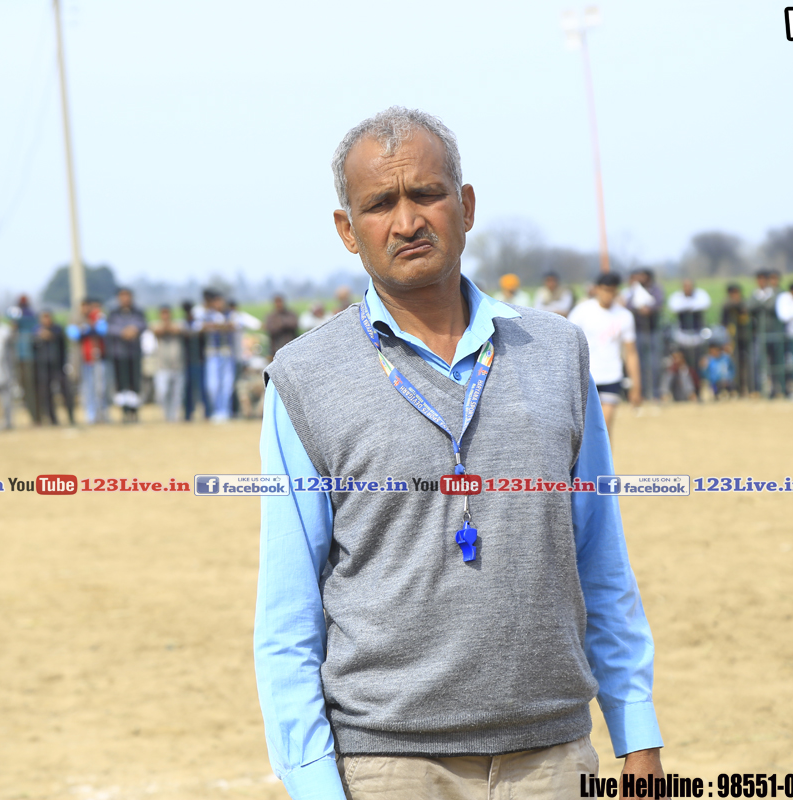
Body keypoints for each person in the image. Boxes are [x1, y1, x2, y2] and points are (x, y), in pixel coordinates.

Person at [256, 107, 662, 800]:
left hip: (553, 758)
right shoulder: (303, 377)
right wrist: (317, 788)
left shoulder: (557, 352)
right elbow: (287, 612)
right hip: (388, 765)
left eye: (427, 194)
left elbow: (601, 558)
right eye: (380, 204)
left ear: (466, 206)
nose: (407, 221)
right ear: (348, 230)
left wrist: (638, 732)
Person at [567, 272, 640, 438]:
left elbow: (631, 353)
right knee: (583, 432)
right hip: (586, 377)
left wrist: (636, 385)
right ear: (597, 289)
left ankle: (604, 456)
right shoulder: (581, 312)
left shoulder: (624, 316)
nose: (608, 295)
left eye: (612, 291)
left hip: (611, 376)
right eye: (605, 290)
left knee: (603, 430)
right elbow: (569, 345)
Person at [107, 288, 147, 422]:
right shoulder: (113, 313)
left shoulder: (138, 312)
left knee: (134, 384)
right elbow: (110, 328)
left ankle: (134, 411)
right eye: (122, 296)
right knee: (121, 384)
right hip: (119, 354)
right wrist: (122, 332)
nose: (125, 299)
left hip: (134, 353)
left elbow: (143, 324)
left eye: (127, 296)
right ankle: (124, 411)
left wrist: (134, 330)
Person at [667, 279, 710, 398]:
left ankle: (698, 391)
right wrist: (690, 307)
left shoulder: (700, 295)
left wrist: (688, 307)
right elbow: (674, 307)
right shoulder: (676, 297)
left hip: (697, 337)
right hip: (682, 337)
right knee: (684, 367)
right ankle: (686, 393)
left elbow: (704, 304)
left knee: (697, 366)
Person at [201, 289, 239, 422]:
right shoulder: (207, 315)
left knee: (227, 384)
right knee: (213, 384)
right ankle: (216, 410)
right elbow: (201, 327)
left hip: (226, 352)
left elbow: (234, 325)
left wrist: (219, 326)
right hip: (212, 353)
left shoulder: (230, 314)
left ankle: (225, 410)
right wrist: (220, 326)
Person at [622, 269, 661, 400]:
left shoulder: (656, 290)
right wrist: (638, 308)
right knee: (640, 364)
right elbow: (627, 304)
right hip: (637, 331)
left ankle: (655, 393)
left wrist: (649, 309)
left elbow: (659, 303)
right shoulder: (633, 290)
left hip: (653, 331)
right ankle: (641, 392)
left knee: (655, 364)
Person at [34, 310, 75, 425]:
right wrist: (40, 336)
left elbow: (63, 344)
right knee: (46, 394)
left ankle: (71, 417)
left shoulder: (58, 330)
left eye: (48, 317)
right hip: (43, 367)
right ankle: (52, 419)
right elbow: (34, 348)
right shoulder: (37, 332)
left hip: (58, 366)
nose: (46, 320)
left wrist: (51, 336)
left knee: (66, 392)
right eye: (44, 317)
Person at [72, 298, 108, 424]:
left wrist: (90, 327)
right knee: (88, 388)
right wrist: (87, 328)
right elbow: (74, 334)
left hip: (99, 358)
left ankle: (102, 413)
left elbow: (102, 330)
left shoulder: (99, 318)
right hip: (85, 360)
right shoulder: (77, 320)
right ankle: (91, 415)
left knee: (101, 388)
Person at [150, 305, 185, 422]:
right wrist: (166, 326)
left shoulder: (178, 324)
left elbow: (177, 330)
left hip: (177, 365)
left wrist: (168, 326)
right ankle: (167, 414)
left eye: (167, 313)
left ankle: (174, 416)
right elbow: (158, 331)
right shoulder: (155, 324)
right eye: (163, 314)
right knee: (163, 392)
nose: (165, 316)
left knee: (177, 394)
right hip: (162, 366)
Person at [719, 284, 753, 396]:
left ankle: (749, 388)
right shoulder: (726, 306)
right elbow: (723, 324)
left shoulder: (745, 304)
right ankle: (737, 389)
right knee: (734, 365)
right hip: (733, 340)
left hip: (746, 340)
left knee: (748, 365)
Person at [12, 296, 40, 423]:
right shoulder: (30, 316)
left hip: (28, 358)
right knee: (27, 388)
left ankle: (35, 416)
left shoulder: (24, 317)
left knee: (30, 388)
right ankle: (34, 416)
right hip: (22, 357)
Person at [181, 301, 206, 421]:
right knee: (188, 390)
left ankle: (206, 413)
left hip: (199, 360)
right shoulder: (183, 324)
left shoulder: (198, 324)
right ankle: (188, 414)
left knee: (202, 388)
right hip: (188, 361)